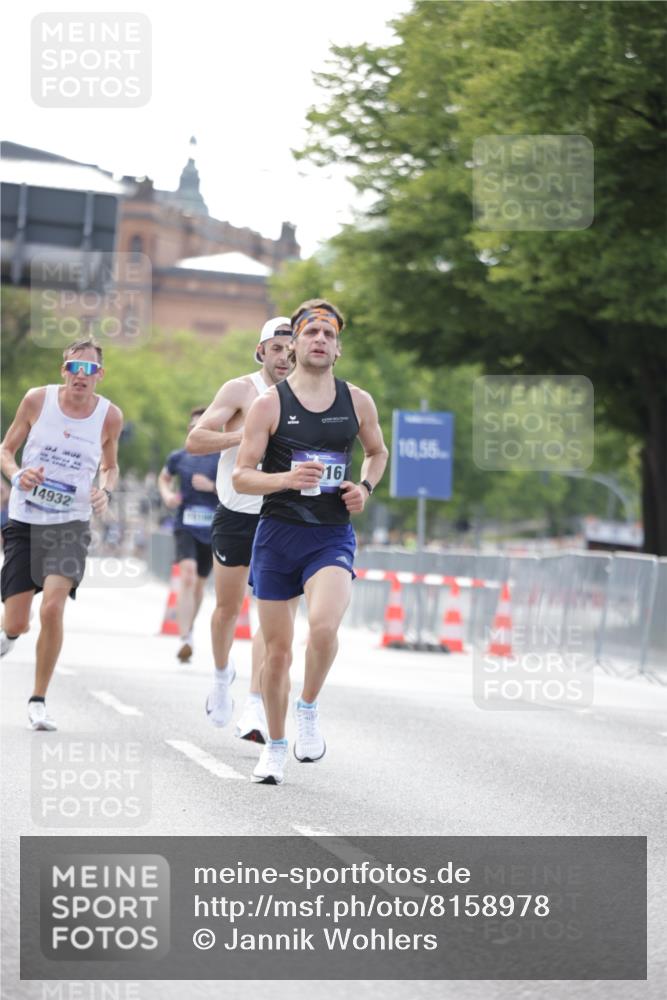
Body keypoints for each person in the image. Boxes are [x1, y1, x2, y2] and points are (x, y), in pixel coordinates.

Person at [233, 299, 388, 784]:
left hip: (329, 536)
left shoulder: (357, 401)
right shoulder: (269, 404)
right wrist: (285, 479)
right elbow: (241, 477)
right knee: (277, 653)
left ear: (338, 348)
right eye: (310, 333)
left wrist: (364, 488)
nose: (319, 339)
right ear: (294, 343)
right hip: (277, 536)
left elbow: (377, 453)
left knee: (323, 627)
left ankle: (308, 707)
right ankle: (275, 748)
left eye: (328, 333)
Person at [0, 340, 123, 731]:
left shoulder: (109, 416)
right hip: (26, 520)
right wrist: (18, 475)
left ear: (100, 375)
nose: (80, 376)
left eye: (89, 370)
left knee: (52, 608)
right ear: (63, 370)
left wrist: (104, 490)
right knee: (17, 622)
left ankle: (38, 699)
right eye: (74, 367)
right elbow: (5, 449)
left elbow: (111, 466)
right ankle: (10, 633)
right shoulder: (37, 401)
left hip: (71, 523)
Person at [186, 317, 293, 741]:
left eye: (292, 348)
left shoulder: (308, 399)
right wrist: (243, 436)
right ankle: (220, 674)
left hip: (282, 516)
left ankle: (254, 706)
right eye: (277, 348)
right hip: (236, 512)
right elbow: (196, 440)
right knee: (227, 610)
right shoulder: (239, 390)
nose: (285, 356)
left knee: (270, 616)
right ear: (261, 350)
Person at [158, 408, 219, 662]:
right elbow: (164, 478)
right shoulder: (178, 457)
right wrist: (167, 495)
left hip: (213, 528)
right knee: (188, 575)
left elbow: (238, 486)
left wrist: (212, 487)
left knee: (199, 586)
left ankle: (189, 629)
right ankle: (184, 637)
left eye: (201, 427)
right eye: (192, 427)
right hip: (185, 524)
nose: (195, 431)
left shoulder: (222, 459)